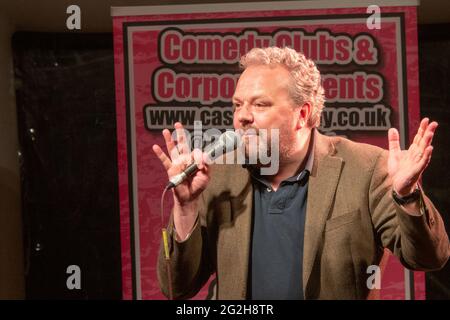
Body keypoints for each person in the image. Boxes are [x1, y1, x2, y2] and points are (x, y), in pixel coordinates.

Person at [152, 46, 449, 300]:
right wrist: (186, 207)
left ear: (303, 114)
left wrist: (407, 195)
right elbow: (176, 288)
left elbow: (428, 258)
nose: (242, 116)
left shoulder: (366, 168)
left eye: (260, 104)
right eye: (238, 104)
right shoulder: (217, 177)